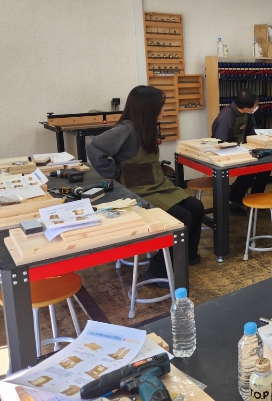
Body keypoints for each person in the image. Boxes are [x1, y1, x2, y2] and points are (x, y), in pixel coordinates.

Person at [87, 86, 203, 283]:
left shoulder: (146, 126)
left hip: (157, 185)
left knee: (197, 207)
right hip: (138, 189)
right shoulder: (126, 129)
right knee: (182, 217)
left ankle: (186, 257)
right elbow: (93, 147)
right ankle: (158, 270)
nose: (163, 110)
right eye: (161, 106)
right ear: (148, 108)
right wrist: (114, 173)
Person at [211, 88, 270, 217]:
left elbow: (251, 131)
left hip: (243, 148)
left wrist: (260, 141)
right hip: (227, 153)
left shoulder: (248, 113)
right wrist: (239, 150)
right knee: (249, 170)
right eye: (255, 105)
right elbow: (220, 142)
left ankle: (256, 197)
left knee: (266, 164)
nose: (256, 107)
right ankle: (233, 201)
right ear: (246, 108)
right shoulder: (226, 117)